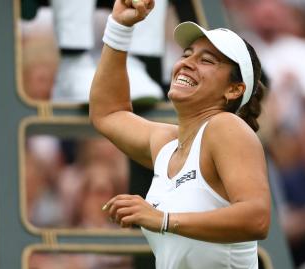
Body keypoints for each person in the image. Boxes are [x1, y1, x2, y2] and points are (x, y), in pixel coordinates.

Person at [89, 0, 271, 268]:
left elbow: (257, 217)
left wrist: (162, 219)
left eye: (206, 60)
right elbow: (107, 113)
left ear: (233, 90)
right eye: (186, 54)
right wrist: (119, 27)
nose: (187, 63)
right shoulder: (167, 144)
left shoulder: (226, 126)